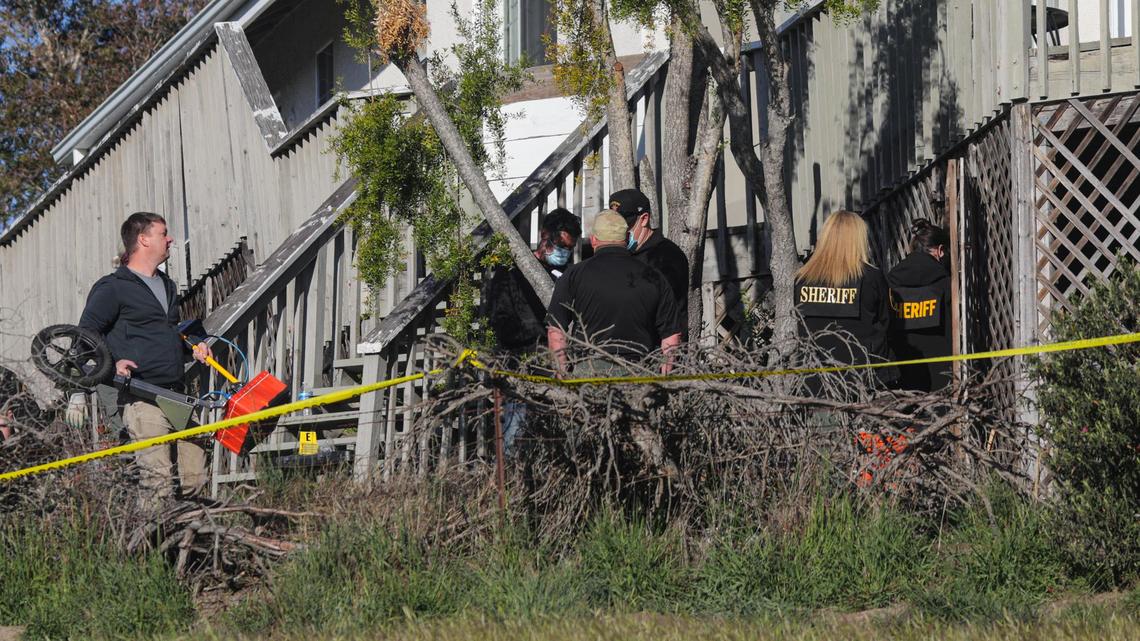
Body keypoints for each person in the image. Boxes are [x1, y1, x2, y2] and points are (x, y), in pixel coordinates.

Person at [79, 212, 212, 509]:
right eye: (163, 233)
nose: (170, 239)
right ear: (143, 239)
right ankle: (151, 537)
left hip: (176, 394)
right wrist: (112, 363)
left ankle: (191, 536)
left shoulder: (167, 286)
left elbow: (168, 335)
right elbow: (85, 336)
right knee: (158, 483)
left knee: (196, 477)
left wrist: (194, 346)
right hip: (141, 396)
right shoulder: (113, 286)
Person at [483, 208, 581, 453]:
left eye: (569, 248)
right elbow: (500, 320)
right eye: (560, 245)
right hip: (520, 368)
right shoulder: (511, 273)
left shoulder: (569, 277)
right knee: (515, 437)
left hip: (559, 371)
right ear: (544, 235)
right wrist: (541, 336)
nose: (563, 253)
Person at [546, 211, 683, 376]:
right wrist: (664, 375)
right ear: (627, 238)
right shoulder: (653, 276)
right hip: (639, 371)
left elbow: (556, 329)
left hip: (589, 371)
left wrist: (561, 372)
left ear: (593, 240)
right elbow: (671, 335)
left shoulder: (574, 275)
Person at [794, 210, 891, 367]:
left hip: (815, 371)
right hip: (864, 371)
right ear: (858, 240)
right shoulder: (871, 277)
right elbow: (886, 322)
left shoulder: (802, 279)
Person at [609, 189, 690, 334]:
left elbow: (668, 310)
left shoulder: (667, 256)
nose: (619, 234)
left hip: (658, 341)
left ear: (644, 219)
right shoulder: (620, 254)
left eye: (624, 227)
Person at [887, 219, 952, 391]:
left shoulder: (890, 283)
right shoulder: (947, 283)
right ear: (940, 251)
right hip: (942, 379)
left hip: (901, 380)